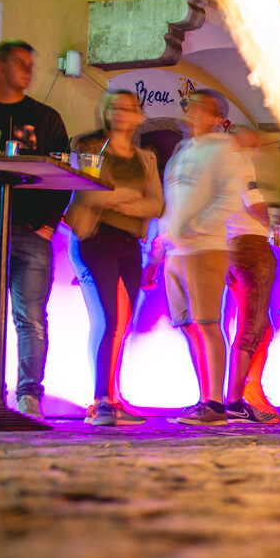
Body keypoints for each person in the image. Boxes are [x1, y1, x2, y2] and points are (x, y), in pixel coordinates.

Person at [0, 39, 70, 418]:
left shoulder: (46, 117)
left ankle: (29, 398)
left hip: (31, 230)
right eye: (20, 64)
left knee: (30, 318)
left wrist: (48, 224)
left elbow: (66, 174)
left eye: (31, 64)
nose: (29, 71)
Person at [64, 89, 163, 426]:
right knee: (107, 320)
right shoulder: (89, 145)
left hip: (129, 243)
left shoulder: (145, 158)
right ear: (105, 112)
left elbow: (155, 204)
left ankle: (113, 397)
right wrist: (128, 196)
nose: (120, 113)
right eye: (114, 108)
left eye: (127, 108)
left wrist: (114, 197)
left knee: (122, 323)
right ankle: (100, 401)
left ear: (138, 116)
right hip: (95, 238)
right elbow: (87, 194)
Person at [161, 89, 251, 426]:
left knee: (208, 323)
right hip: (176, 250)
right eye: (190, 106)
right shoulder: (181, 151)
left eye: (201, 108)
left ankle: (215, 403)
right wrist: (163, 239)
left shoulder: (224, 150)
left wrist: (195, 227)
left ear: (217, 118)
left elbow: (229, 198)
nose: (192, 112)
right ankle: (203, 398)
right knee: (187, 325)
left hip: (205, 247)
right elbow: (172, 201)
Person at [218, 125, 279, 424]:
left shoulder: (215, 170)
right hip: (251, 246)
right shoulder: (240, 162)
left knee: (260, 327)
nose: (256, 152)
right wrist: (264, 215)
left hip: (229, 247)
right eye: (252, 145)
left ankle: (249, 390)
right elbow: (256, 206)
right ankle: (236, 400)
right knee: (252, 328)